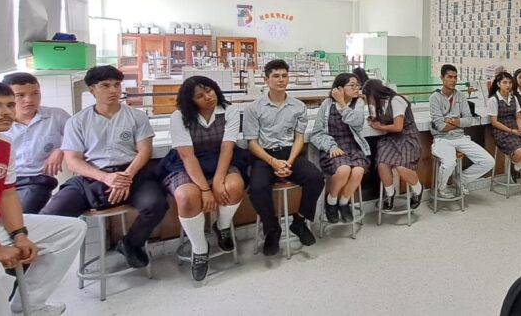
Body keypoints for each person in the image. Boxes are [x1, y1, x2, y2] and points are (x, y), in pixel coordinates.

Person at [0, 81, 86, 316]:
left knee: (71, 230)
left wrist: (20, 235)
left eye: (9, 105)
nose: (6, 112)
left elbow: (6, 194)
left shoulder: (4, 145)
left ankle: (29, 306)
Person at [41, 66, 166, 270]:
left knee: (156, 204)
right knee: (53, 213)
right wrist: (105, 178)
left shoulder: (136, 117)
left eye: (117, 85)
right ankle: (40, 265)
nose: (113, 90)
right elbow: (73, 161)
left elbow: (144, 152)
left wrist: (126, 176)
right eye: (105, 86)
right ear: (92, 90)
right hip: (91, 176)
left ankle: (131, 244)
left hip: (131, 172)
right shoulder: (78, 121)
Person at [158, 76, 249, 281]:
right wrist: (205, 189)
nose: (208, 97)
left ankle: (222, 226)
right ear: (190, 101)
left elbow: (227, 148)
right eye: (200, 96)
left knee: (234, 186)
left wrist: (217, 181)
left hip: (220, 159)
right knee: (187, 196)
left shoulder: (229, 111)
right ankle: (200, 248)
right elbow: (187, 155)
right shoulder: (179, 117)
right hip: (187, 163)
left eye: (209, 91)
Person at [243, 59, 323, 255]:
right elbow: (252, 143)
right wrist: (273, 162)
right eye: (276, 76)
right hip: (264, 155)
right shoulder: (253, 108)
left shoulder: (298, 106)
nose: (281, 80)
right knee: (257, 188)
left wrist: (289, 161)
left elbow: (299, 138)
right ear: (266, 79)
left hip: (289, 153)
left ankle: (299, 221)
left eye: (284, 76)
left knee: (316, 178)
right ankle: (272, 230)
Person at [1, 72, 71, 214]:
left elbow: (81, 136)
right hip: (4, 182)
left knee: (21, 216)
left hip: (37, 181)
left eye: (35, 93)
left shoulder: (56, 116)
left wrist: (61, 149)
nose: (29, 100)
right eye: (20, 95)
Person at [310, 73, 370, 223]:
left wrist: (343, 103)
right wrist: (331, 146)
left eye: (358, 85)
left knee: (358, 171)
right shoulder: (327, 105)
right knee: (343, 170)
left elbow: (357, 123)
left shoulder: (358, 103)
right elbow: (317, 133)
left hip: (353, 145)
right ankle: (331, 201)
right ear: (339, 88)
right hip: (333, 146)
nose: (357, 88)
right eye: (352, 85)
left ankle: (344, 203)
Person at [429, 64, 496, 198]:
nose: (453, 80)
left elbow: (469, 120)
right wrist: (459, 122)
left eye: (455, 77)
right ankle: (441, 189)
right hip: (442, 139)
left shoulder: (460, 96)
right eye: (449, 77)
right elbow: (441, 126)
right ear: (442, 78)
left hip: (460, 138)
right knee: (449, 163)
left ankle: (461, 180)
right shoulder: (434, 98)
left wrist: (451, 121)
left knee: (488, 161)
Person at [363, 79, 424, 210]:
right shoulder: (382, 103)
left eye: (368, 97)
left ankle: (418, 189)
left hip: (407, 137)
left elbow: (398, 127)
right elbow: (385, 120)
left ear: (375, 94)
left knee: (402, 166)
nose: (368, 101)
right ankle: (390, 194)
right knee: (382, 163)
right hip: (391, 139)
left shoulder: (396, 100)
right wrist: (374, 120)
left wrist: (380, 126)